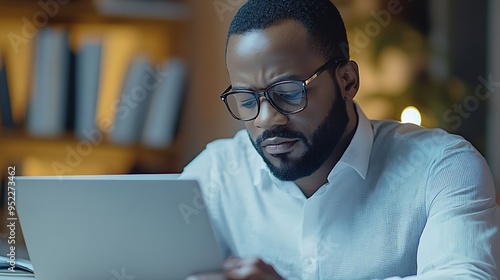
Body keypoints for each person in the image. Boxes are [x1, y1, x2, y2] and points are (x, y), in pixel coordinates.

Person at [181, 0, 500, 279]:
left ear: (347, 81)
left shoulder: (441, 167)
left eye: (289, 93)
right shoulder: (215, 175)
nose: (266, 119)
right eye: (247, 100)